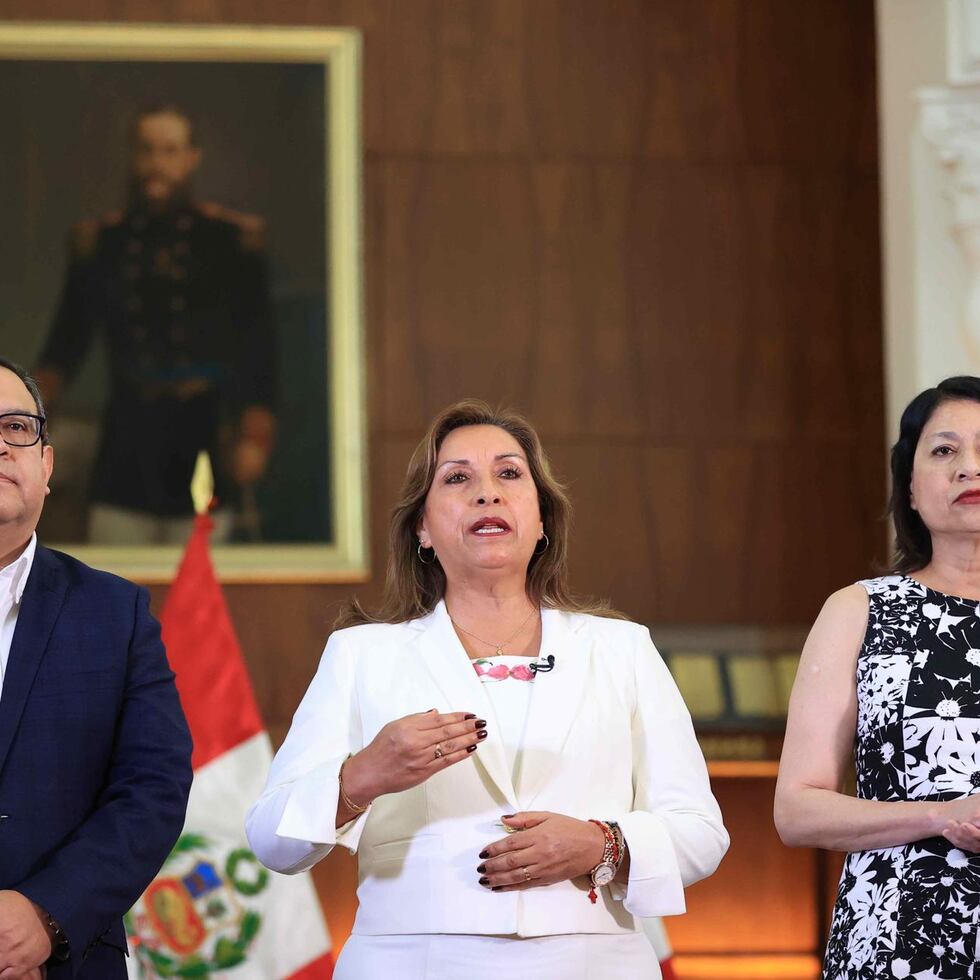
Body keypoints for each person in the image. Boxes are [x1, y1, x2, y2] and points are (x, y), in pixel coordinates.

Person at [246, 399, 728, 979]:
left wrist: (604, 844)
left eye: (508, 474)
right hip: (411, 962)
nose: (487, 493)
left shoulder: (622, 648)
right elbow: (272, 842)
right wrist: (365, 775)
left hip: (595, 961)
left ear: (542, 517)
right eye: (457, 479)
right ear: (422, 527)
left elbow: (700, 832)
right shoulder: (362, 654)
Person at [775, 375, 980, 979]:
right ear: (911, 489)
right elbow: (797, 811)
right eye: (944, 450)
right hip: (895, 937)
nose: (969, 467)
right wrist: (943, 815)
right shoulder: (861, 610)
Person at [0, 357, 192, 978]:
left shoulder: (115, 613)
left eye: (16, 428)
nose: (0, 445)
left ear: (47, 465)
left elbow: (153, 788)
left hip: (65, 959)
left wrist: (44, 915)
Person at [35, 103, 277, 544]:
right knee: (114, 583)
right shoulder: (101, 244)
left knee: (199, 594)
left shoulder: (231, 243)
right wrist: (23, 424)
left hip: (204, 435)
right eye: (147, 150)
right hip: (127, 440)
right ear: (133, 156)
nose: (156, 163)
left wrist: (254, 437)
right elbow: (65, 345)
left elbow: (258, 349)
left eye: (169, 150)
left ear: (191, 158)